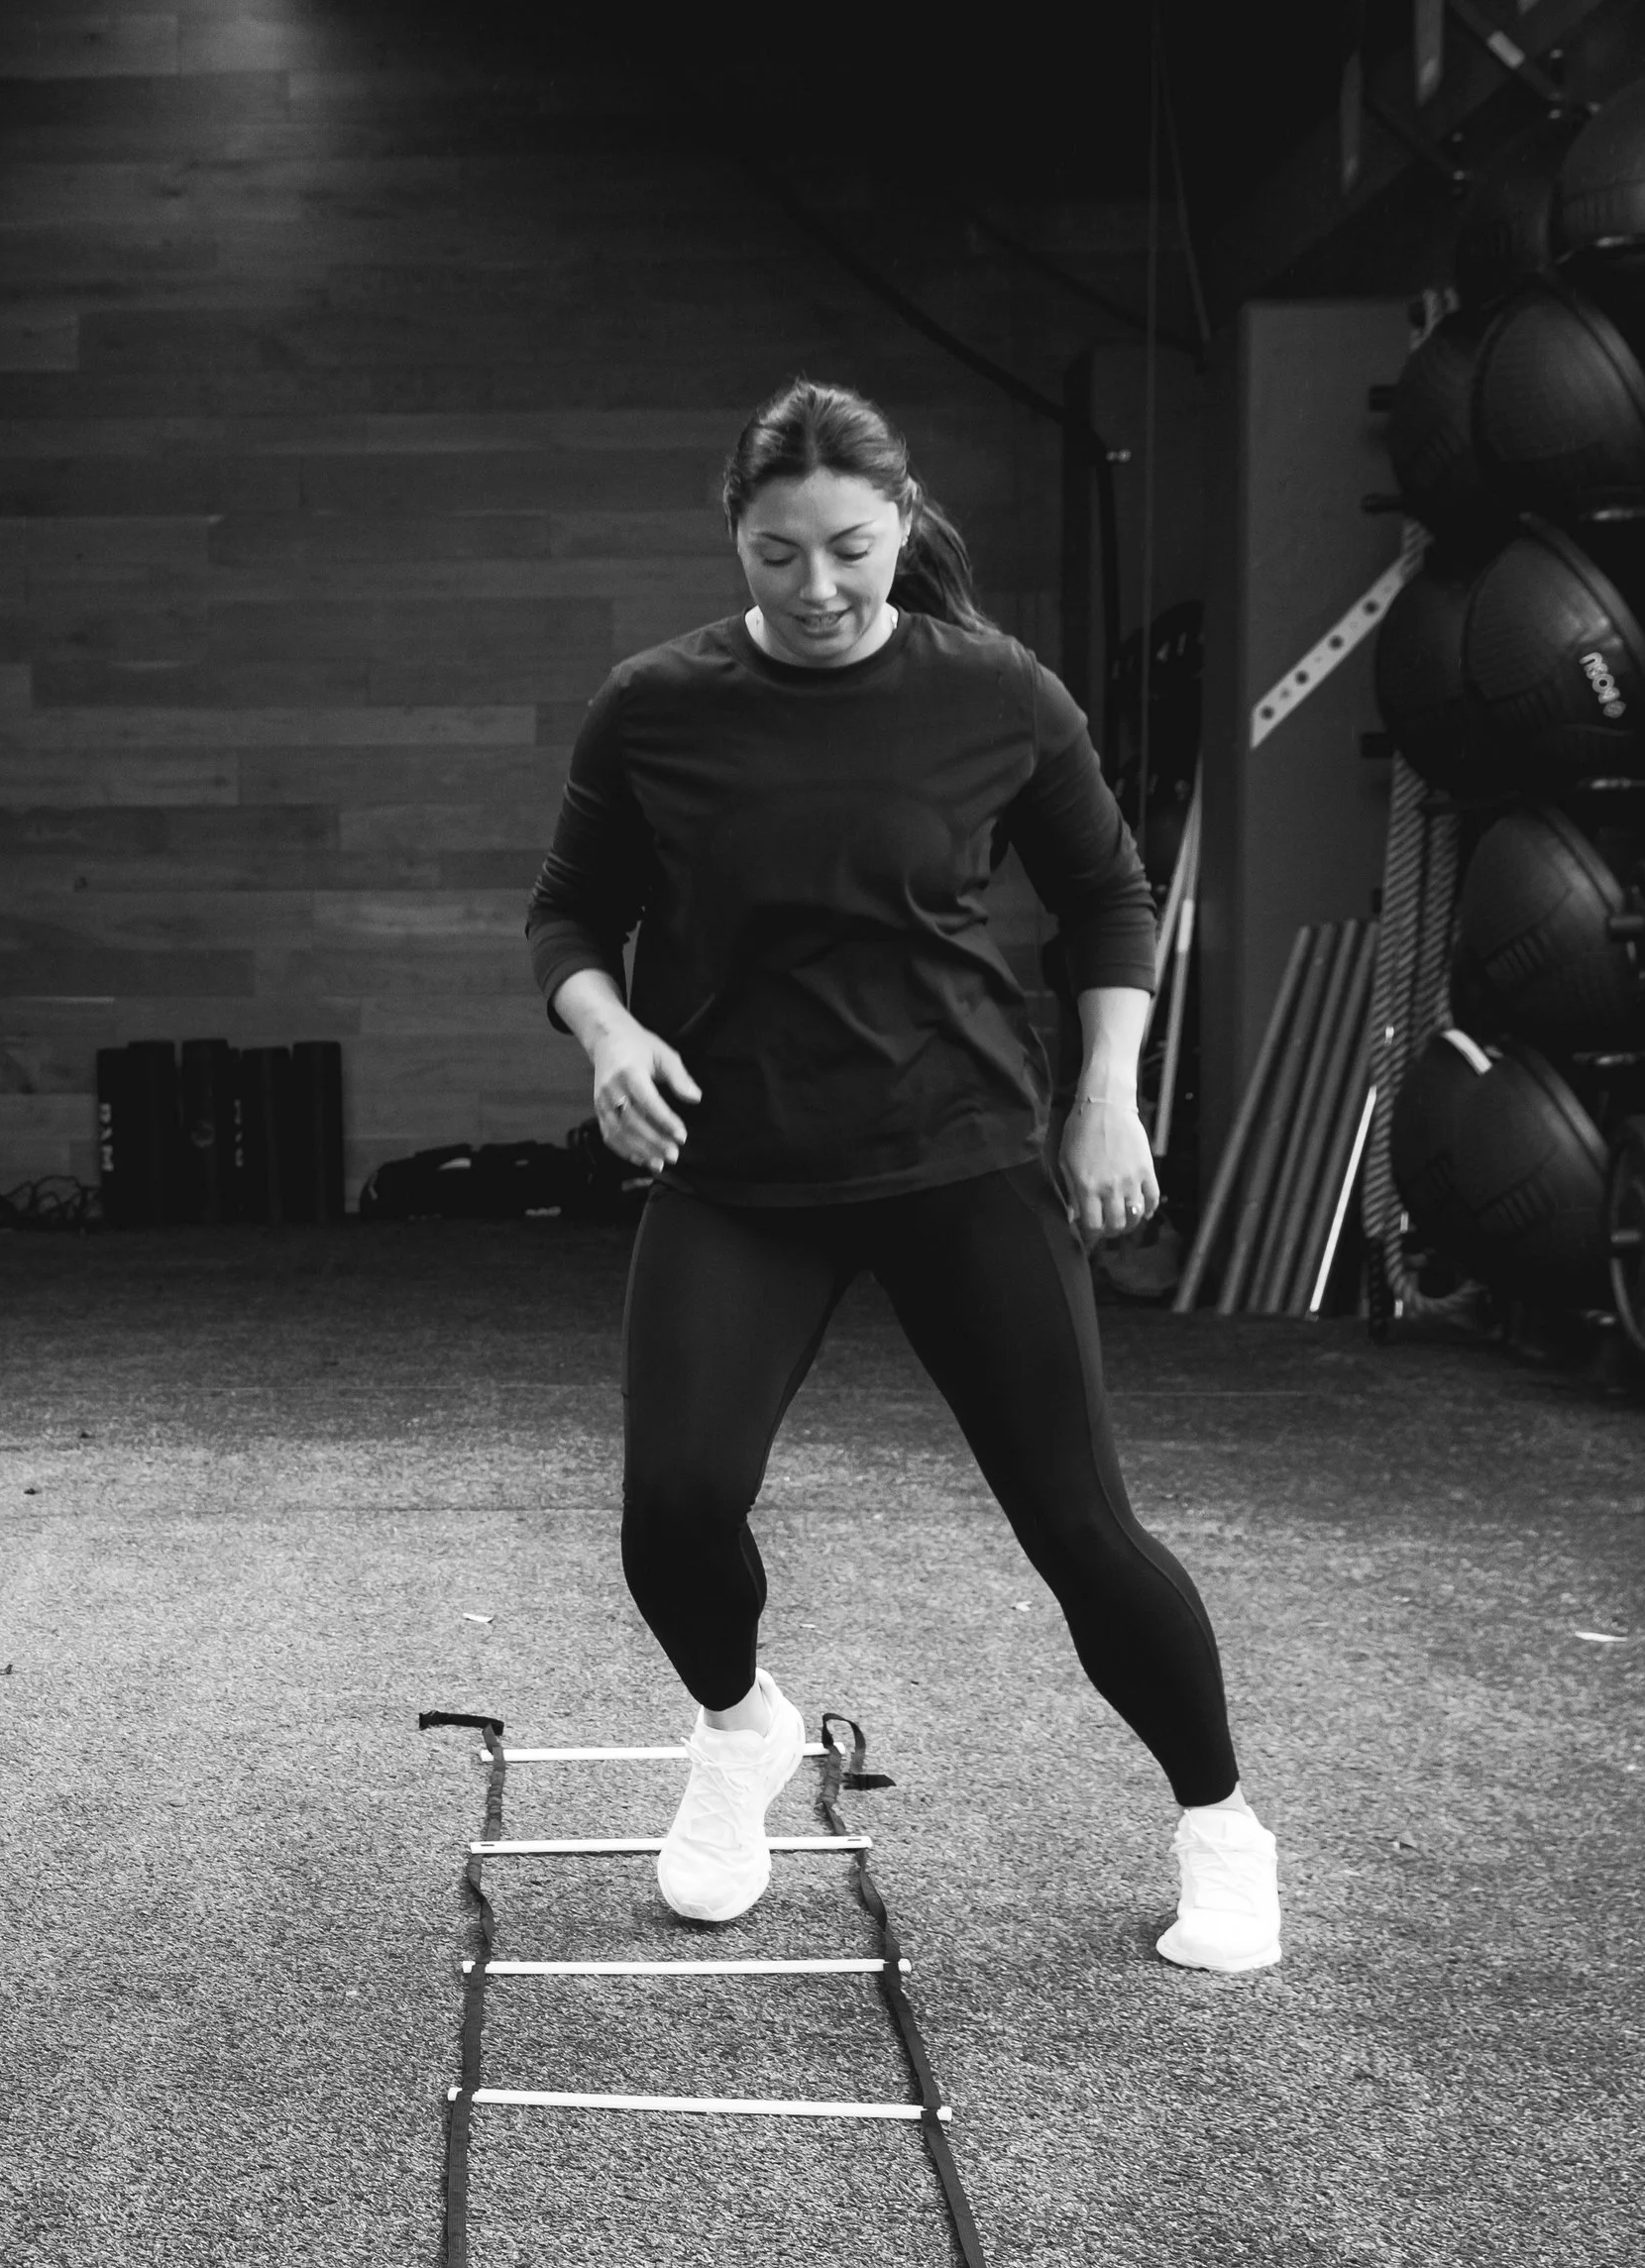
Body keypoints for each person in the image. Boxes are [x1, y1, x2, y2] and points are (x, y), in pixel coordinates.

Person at [524, 378, 1281, 1973]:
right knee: (672, 1512)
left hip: (958, 1152)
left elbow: (1108, 898)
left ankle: (1223, 1831)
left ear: (902, 523)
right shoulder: (656, 704)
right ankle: (742, 1731)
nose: (816, 590)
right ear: (736, 540)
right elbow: (569, 914)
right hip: (737, 1166)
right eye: (777, 554)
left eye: (850, 550)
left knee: (1080, 1530)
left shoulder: (996, 692)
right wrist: (605, 1037)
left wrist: (1108, 1094)